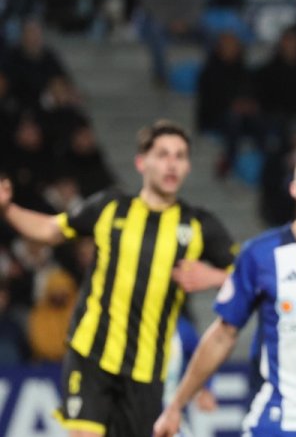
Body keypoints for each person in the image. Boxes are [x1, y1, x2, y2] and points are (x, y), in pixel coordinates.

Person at [0, 120, 236, 437]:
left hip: (148, 371)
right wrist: (7, 209)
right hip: (91, 355)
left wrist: (216, 275)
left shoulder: (198, 225)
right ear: (141, 162)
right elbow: (50, 229)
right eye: (163, 154)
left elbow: (249, 273)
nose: (172, 164)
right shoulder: (109, 207)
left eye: (180, 156)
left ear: (188, 166)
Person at [153, 149, 296, 437]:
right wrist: (175, 407)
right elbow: (222, 335)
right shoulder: (260, 254)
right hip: (275, 423)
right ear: (294, 188)